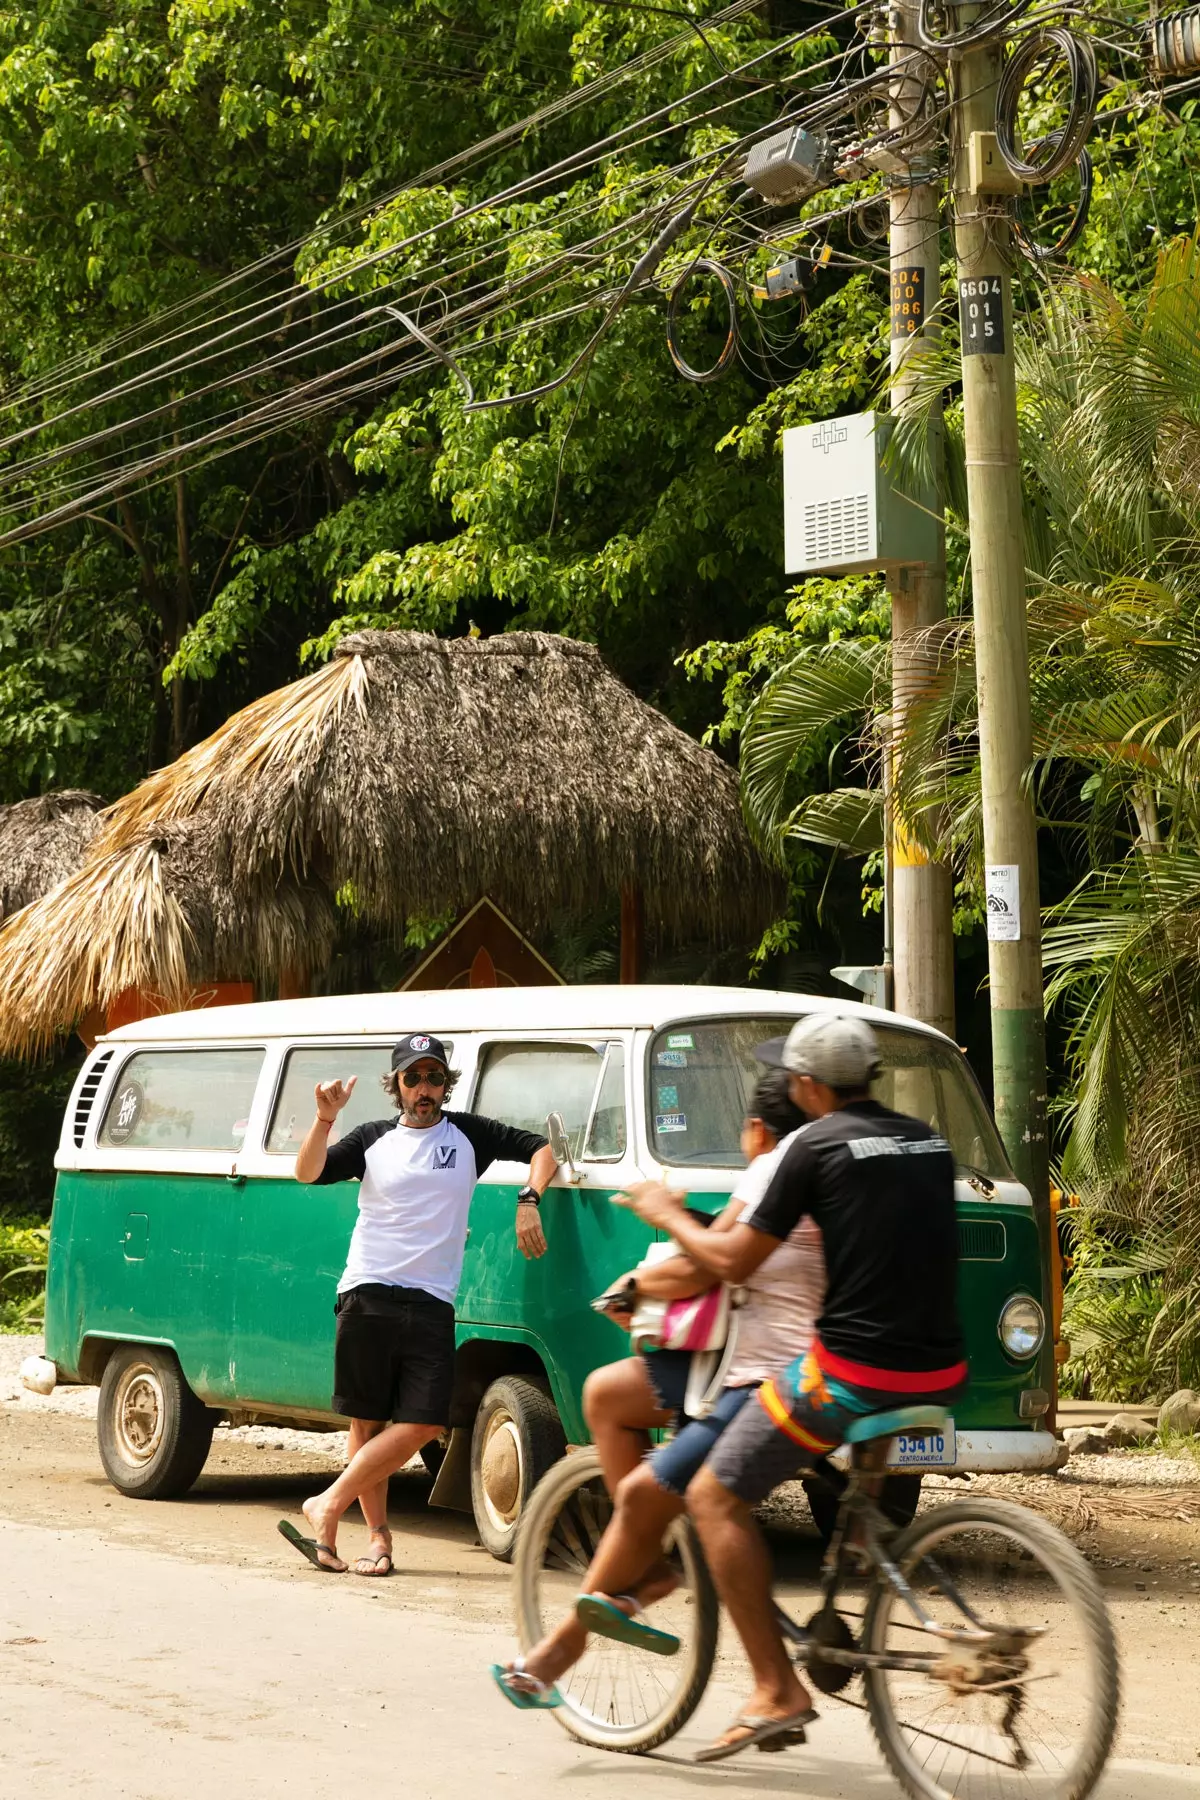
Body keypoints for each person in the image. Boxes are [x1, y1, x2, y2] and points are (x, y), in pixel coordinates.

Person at [616, 1013, 966, 1761]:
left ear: (808, 1085)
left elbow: (732, 1262)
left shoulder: (808, 1146)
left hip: (851, 1371)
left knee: (712, 1496)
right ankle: (861, 1564)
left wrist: (665, 1212)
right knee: (841, 1509)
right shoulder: (927, 1139)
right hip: (940, 1366)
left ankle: (776, 1689)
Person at [491, 1066, 826, 1708]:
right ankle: (640, 1562)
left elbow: (710, 1264)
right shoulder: (815, 1167)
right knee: (609, 1396)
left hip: (760, 1375)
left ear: (757, 1130)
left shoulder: (773, 1171)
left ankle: (570, 1638)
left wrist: (647, 1260)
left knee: (649, 1487)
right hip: (743, 1362)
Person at [279, 1032, 558, 1575]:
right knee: (366, 1423)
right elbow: (307, 1172)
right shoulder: (371, 1138)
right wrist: (324, 1119)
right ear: (397, 1086)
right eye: (413, 1078)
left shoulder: (470, 1135)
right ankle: (374, 1539)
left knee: (427, 1421)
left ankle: (327, 1502)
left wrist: (530, 1200)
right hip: (367, 1291)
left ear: (445, 1084)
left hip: (431, 1299)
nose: (424, 1088)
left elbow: (542, 1150)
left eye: (434, 1078)